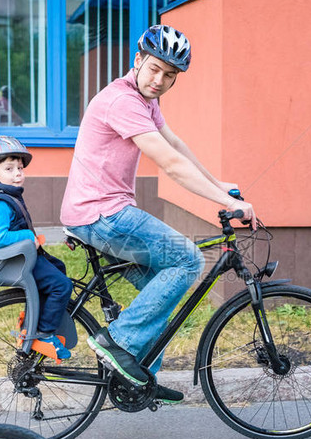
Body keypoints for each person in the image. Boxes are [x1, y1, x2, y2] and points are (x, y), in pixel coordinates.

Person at [60, 25, 256, 404]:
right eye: (154, 69)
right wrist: (228, 203)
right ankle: (117, 343)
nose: (160, 80)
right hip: (103, 215)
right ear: (138, 60)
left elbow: (176, 145)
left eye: (170, 75)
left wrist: (219, 184)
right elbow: (168, 162)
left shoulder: (145, 100)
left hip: (98, 213)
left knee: (161, 291)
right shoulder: (123, 101)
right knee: (187, 259)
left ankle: (142, 378)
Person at [0, 135, 73, 360]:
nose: (18, 173)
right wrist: (28, 235)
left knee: (58, 267)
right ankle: (43, 332)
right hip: (16, 261)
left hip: (22, 256)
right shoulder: (1, 202)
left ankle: (35, 317)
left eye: (19, 167)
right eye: (9, 169)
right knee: (61, 286)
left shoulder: (6, 195)